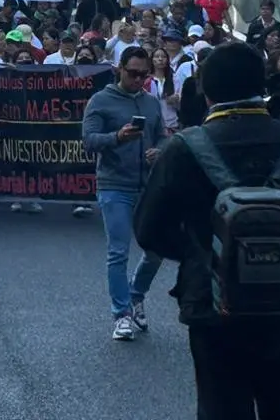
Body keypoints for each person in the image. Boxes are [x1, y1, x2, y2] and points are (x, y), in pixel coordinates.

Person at [134, 42, 280, 420]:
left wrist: (205, 253)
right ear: (263, 84)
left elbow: (149, 230)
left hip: (213, 300)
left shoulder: (182, 147)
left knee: (222, 406)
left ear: (205, 90)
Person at [80, 47, 166, 341]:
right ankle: (121, 315)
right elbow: (89, 141)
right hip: (114, 184)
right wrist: (117, 137)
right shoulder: (100, 101)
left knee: (157, 250)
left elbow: (164, 138)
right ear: (119, 69)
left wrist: (160, 151)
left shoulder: (152, 103)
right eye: (133, 73)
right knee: (118, 252)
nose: (139, 79)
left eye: (145, 74)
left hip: (148, 185)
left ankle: (136, 294)